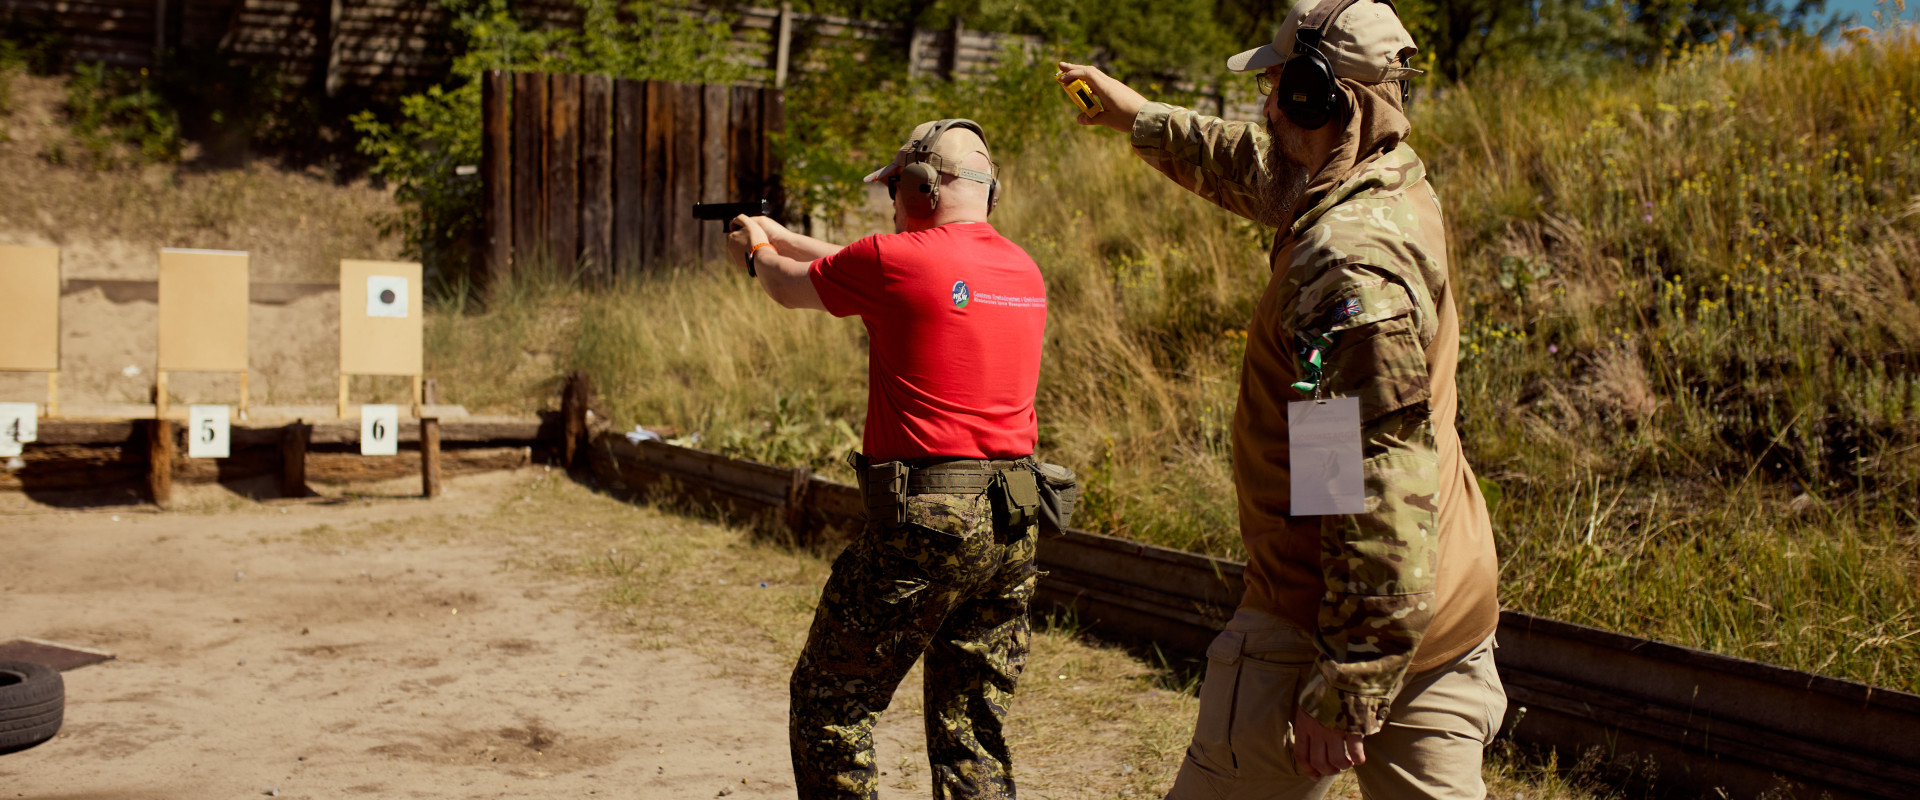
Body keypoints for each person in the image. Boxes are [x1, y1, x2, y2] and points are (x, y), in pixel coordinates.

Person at [1056, 1, 1504, 798]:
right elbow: (1267, 170)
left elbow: (1376, 481)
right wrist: (1139, 119)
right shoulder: (1389, 183)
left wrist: (1351, 676)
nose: (1265, 109)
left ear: (1317, 97)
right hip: (1445, 617)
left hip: (1324, 623)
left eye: (1279, 90)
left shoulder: (1346, 266)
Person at [725, 119, 1048, 800]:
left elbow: (788, 285)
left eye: (897, 190)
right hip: (1015, 517)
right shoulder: (1021, 269)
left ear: (920, 187)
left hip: (930, 523)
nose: (893, 206)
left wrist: (756, 248)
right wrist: (782, 232)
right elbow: (898, 268)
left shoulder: (893, 263)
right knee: (971, 727)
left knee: (831, 702)